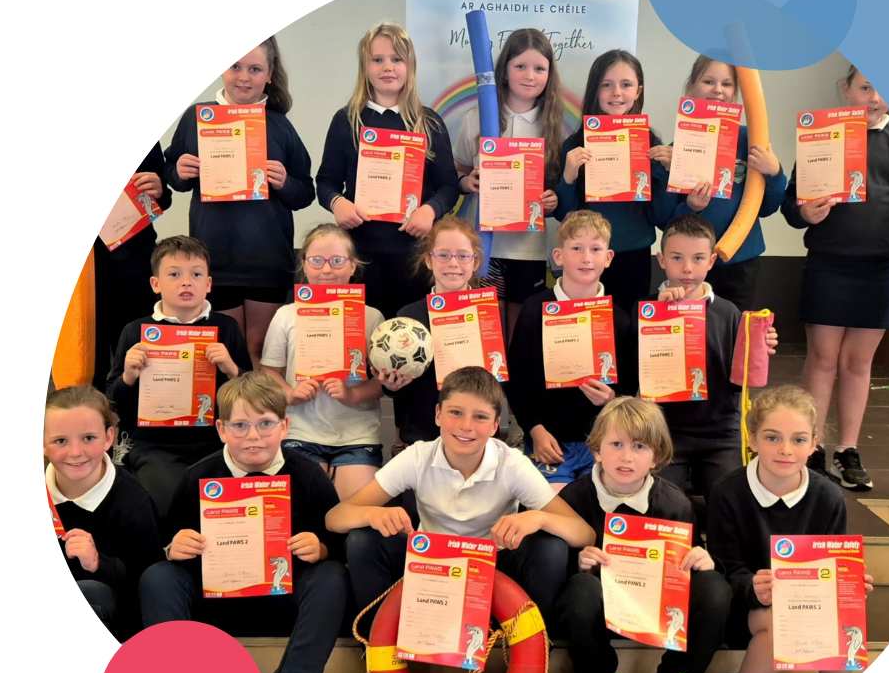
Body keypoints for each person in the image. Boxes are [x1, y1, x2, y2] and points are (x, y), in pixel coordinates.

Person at [322, 366, 594, 673]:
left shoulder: (511, 463)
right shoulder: (418, 456)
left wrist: (538, 517)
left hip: (496, 574)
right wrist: (372, 514)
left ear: (496, 424)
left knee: (550, 546)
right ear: (437, 415)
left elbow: (583, 533)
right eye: (456, 413)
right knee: (364, 540)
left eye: (480, 417)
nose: (466, 426)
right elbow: (336, 518)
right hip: (430, 574)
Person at [139, 373, 349, 673]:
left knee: (332, 576)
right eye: (240, 425)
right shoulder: (198, 475)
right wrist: (175, 546)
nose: (253, 436)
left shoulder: (307, 476)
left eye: (266, 423)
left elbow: (337, 541)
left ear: (284, 425)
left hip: (284, 600)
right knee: (158, 577)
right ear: (221, 429)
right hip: (217, 601)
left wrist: (321, 548)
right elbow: (166, 540)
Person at [556, 397, 732, 673]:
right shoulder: (574, 498)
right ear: (597, 450)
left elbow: (688, 567)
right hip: (600, 609)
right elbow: (556, 573)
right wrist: (579, 561)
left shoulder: (675, 504)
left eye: (639, 447)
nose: (626, 457)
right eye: (616, 444)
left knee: (715, 588)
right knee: (580, 591)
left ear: (656, 456)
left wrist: (702, 559)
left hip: (658, 607)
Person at [707, 385, 873, 673]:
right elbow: (723, 567)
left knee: (847, 613)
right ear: (752, 440)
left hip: (805, 603)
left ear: (814, 443)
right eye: (772, 437)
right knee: (776, 619)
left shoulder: (828, 495)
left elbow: (832, 557)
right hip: (746, 607)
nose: (785, 450)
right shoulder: (727, 492)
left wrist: (850, 581)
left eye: (798, 439)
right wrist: (753, 586)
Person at [781, 66, 889, 490]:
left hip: (880, 268)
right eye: (864, 86)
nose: (874, 96)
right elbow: (791, 205)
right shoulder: (821, 135)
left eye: (884, 88)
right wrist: (805, 212)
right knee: (822, 359)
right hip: (829, 262)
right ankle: (811, 445)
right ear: (846, 90)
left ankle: (848, 449)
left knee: (858, 364)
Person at [165, 38, 315, 367]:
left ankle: (263, 420)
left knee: (262, 353)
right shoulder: (196, 118)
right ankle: (231, 421)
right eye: (235, 66)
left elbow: (306, 191)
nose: (244, 76)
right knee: (224, 355)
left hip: (267, 260)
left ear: (270, 75)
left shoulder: (279, 125)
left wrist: (284, 183)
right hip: (214, 258)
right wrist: (178, 171)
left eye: (255, 69)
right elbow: (171, 175)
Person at [630, 215, 777, 510]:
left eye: (697, 258)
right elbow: (634, 371)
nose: (687, 268)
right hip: (665, 431)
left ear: (711, 261)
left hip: (721, 432)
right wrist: (661, 315)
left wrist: (760, 347)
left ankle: (720, 557)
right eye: (676, 257)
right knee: (661, 503)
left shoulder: (729, 313)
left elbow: (742, 378)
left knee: (733, 502)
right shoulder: (644, 310)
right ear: (661, 260)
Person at [316, 23, 459, 318]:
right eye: (377, 59)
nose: (387, 67)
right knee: (363, 335)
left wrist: (430, 211)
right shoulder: (346, 120)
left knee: (408, 338)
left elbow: (448, 185)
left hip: (414, 254)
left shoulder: (428, 121)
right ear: (365, 67)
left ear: (410, 66)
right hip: (360, 253)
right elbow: (326, 181)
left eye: (397, 59)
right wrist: (337, 202)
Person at [105, 236, 251, 520]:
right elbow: (111, 402)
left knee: (227, 510)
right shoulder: (136, 331)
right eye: (174, 274)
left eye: (196, 274)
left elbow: (252, 394)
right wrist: (128, 377)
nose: (187, 282)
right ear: (155, 284)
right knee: (170, 506)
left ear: (208, 284)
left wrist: (232, 370)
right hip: (155, 444)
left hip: (217, 441)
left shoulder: (227, 327)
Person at [260, 223, 389, 500]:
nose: (327, 270)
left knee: (352, 516)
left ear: (353, 266)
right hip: (300, 430)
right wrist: (290, 395)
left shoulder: (373, 317)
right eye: (317, 261)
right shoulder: (286, 315)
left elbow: (382, 382)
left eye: (337, 261)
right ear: (304, 264)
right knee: (305, 511)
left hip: (357, 435)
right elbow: (269, 371)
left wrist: (352, 394)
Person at [453, 27, 563, 343]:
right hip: (483, 244)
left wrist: (553, 200)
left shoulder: (552, 125)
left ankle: (514, 390)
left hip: (528, 247)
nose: (530, 75)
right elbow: (458, 168)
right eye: (521, 66)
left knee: (518, 331)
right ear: (504, 71)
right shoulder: (477, 118)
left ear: (549, 75)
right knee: (485, 327)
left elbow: (556, 185)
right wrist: (466, 182)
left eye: (539, 68)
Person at [507, 211, 630, 492]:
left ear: (608, 258)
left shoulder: (620, 318)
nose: (586, 258)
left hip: (599, 442)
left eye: (595, 249)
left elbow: (631, 384)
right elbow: (517, 379)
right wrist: (534, 430)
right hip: (547, 440)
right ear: (559, 256)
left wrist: (612, 398)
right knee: (555, 519)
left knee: (600, 515)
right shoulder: (533, 309)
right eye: (576, 248)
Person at [658, 55, 786, 313]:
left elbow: (767, 208)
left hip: (741, 261)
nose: (717, 89)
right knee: (690, 337)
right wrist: (691, 208)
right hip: (689, 266)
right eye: (708, 81)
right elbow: (662, 219)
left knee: (735, 334)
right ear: (691, 88)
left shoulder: (751, 139)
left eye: (727, 84)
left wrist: (775, 174)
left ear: (736, 93)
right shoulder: (675, 152)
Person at [553, 51, 677, 313]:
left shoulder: (651, 145)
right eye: (607, 85)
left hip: (634, 254)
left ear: (638, 91)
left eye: (626, 85)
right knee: (586, 327)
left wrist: (667, 174)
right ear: (594, 91)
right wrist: (567, 177)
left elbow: (662, 218)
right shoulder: (575, 146)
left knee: (628, 330)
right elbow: (564, 215)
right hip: (585, 256)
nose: (616, 93)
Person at [44, 386, 162, 641]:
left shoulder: (134, 501)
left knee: (89, 592)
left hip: (112, 624)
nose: (76, 452)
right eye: (60, 441)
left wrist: (98, 564)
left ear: (109, 438)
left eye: (88, 438)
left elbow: (149, 586)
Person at [392, 217, 486, 454]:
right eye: (443, 255)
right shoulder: (408, 315)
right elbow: (396, 389)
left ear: (475, 262)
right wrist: (390, 385)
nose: (453, 263)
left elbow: (500, 379)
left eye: (463, 255)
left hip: (474, 435)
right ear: (429, 260)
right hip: (422, 436)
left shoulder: (487, 313)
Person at [94, 144, 172, 405]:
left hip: (133, 264)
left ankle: (130, 432)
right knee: (85, 358)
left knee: (135, 352)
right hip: (87, 274)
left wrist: (159, 190)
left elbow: (161, 196)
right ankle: (88, 433)